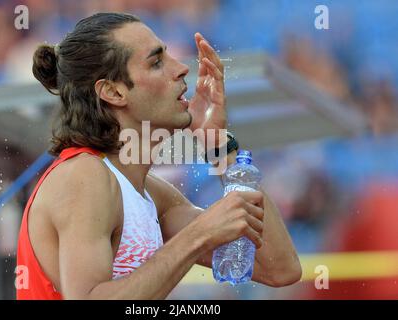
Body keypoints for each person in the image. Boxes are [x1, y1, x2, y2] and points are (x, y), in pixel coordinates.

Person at [16, 12, 301, 300]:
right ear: (113, 91)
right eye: (156, 62)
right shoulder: (83, 176)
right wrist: (199, 233)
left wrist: (219, 144)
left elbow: (279, 269)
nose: (180, 69)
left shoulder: (150, 193)